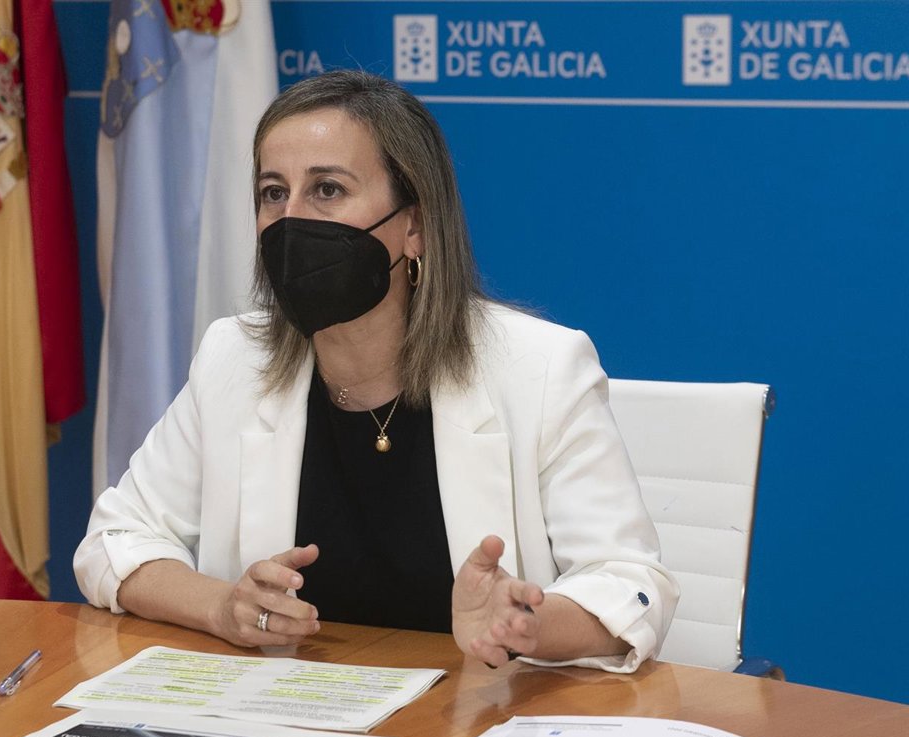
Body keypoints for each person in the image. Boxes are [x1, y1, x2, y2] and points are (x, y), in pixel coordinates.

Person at [75, 70, 677, 673]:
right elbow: (113, 541)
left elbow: (630, 585)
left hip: (476, 715)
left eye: (328, 189)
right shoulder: (234, 359)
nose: (291, 220)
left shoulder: (540, 368)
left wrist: (524, 625)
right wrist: (221, 606)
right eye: (273, 192)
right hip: (288, 712)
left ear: (413, 226)